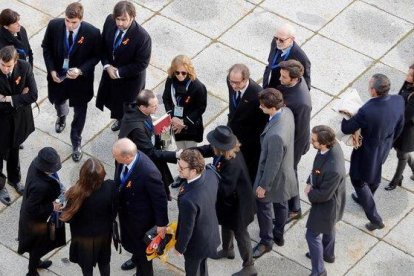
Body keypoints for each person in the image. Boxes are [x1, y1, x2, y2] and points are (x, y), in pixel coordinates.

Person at [341, 74, 404, 231]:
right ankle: (366, 197)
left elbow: (346, 128)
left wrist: (345, 113)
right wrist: (389, 143)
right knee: (374, 174)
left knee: (358, 180)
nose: (368, 89)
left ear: (374, 91)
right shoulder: (398, 101)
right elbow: (399, 126)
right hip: (384, 146)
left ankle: (375, 218)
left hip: (367, 152)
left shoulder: (367, 110)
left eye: (370, 86)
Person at [42, 2, 101, 162]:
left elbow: (96, 56)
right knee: (59, 102)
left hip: (80, 82)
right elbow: (46, 48)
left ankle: (76, 141)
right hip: (58, 78)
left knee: (80, 113)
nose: (69, 25)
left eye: (73, 22)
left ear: (81, 20)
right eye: (67, 20)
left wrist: (80, 70)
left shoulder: (92, 32)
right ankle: (62, 116)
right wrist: (51, 70)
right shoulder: (54, 26)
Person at [196, 126, 257, 276]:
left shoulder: (232, 163)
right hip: (229, 203)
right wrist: (190, 152)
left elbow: (225, 189)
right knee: (225, 223)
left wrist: (207, 173)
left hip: (239, 206)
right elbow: (206, 149)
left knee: (241, 233)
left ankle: (249, 266)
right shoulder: (223, 152)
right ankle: (227, 249)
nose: (211, 146)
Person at [112, 138, 168, 276]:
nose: (114, 158)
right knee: (133, 245)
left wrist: (162, 224)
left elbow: (160, 199)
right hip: (127, 216)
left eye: (116, 156)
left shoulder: (148, 172)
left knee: (144, 256)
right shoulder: (122, 161)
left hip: (142, 221)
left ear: (127, 156)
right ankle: (135, 258)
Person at [252, 88, 298, 259]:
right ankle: (279, 233)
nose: (260, 108)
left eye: (263, 106)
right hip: (285, 173)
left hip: (274, 176)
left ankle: (266, 241)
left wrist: (263, 186)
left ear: (271, 108)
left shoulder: (275, 135)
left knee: (264, 207)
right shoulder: (287, 112)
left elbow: (272, 164)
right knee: (281, 203)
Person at [97, 0, 151, 132]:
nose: (120, 23)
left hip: (130, 81)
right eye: (118, 19)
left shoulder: (142, 37)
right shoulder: (110, 22)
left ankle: (126, 126)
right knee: (114, 103)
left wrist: (119, 73)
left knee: (128, 108)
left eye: (124, 20)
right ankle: (120, 119)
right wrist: (107, 66)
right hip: (110, 74)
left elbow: (142, 63)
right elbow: (102, 46)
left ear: (132, 17)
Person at [119, 89, 180, 202]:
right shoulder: (138, 130)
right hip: (142, 161)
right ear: (142, 107)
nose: (157, 108)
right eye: (154, 106)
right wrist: (175, 155)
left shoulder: (137, 110)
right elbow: (151, 152)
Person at [60, 158, 116, 276]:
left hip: (83, 240)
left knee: (86, 269)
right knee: (104, 263)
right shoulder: (110, 187)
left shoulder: (75, 194)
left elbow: (69, 218)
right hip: (103, 236)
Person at [304, 125, 346, 276]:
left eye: (314, 140)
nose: (311, 141)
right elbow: (317, 169)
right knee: (329, 227)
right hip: (330, 200)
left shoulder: (333, 168)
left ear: (323, 143)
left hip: (328, 204)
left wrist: (310, 192)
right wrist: (310, 180)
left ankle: (319, 270)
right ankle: (327, 254)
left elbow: (323, 195)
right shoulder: (327, 148)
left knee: (311, 235)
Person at [18, 147, 66, 276]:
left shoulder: (35, 164)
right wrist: (52, 207)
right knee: (37, 246)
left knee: (38, 246)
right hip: (36, 221)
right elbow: (32, 208)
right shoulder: (40, 186)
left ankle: (36, 263)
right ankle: (32, 272)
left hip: (37, 218)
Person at [0, 45, 37, 205]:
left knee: (15, 150)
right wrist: (21, 96)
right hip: (1, 122)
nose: (5, 69)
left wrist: (9, 99)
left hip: (18, 120)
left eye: (8, 66)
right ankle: (0, 185)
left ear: (15, 62)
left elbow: (33, 94)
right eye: (2, 64)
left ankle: (14, 179)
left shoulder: (24, 67)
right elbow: (26, 96)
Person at [175, 149, 220, 276]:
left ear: (193, 170)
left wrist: (180, 247)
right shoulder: (211, 175)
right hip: (210, 235)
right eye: (179, 164)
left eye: (182, 168)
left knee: (193, 271)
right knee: (202, 267)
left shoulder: (188, 200)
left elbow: (187, 227)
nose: (179, 169)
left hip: (195, 244)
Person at [277, 59, 312, 223]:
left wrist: (288, 151)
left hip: (294, 143)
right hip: (289, 137)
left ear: (295, 78)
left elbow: (300, 130)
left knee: (290, 172)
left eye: (284, 77)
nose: (280, 79)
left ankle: (295, 208)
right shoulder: (295, 82)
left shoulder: (302, 103)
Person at [226, 63, 267, 182]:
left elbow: (261, 124)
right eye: (231, 81)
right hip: (233, 130)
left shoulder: (257, 95)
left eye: (237, 83)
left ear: (246, 79)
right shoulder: (231, 82)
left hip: (248, 140)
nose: (233, 85)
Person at [162, 55, 207, 150]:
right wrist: (172, 117)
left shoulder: (198, 87)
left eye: (183, 73)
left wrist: (183, 122)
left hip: (190, 126)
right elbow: (166, 98)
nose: (180, 75)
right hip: (175, 122)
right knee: (180, 150)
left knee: (190, 153)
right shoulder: (170, 80)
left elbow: (200, 108)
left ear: (189, 71)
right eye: (177, 72)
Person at [385, 64, 414, 190]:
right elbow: (398, 98)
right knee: (402, 152)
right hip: (400, 127)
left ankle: (396, 180)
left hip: (407, 131)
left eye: (410, 75)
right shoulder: (408, 84)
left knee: (402, 155)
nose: (406, 76)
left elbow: (406, 116)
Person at [262, 23, 311, 90]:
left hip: (281, 90)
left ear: (291, 39)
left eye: (281, 40)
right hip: (268, 83)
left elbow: (306, 85)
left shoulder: (301, 58)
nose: (277, 42)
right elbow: (270, 62)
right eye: (276, 38)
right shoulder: (275, 41)